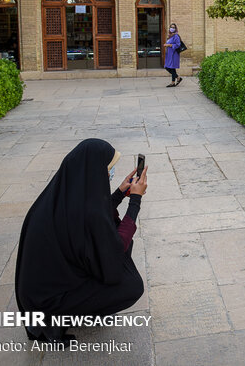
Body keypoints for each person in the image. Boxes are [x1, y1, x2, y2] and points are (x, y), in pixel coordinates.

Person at [15, 139, 148, 343]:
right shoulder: (86, 211)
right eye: (108, 169)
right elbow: (112, 248)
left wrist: (120, 193)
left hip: (37, 296)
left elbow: (92, 221)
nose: (109, 174)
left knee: (116, 240)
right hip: (48, 305)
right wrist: (135, 201)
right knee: (131, 285)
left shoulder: (61, 194)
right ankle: (68, 315)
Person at [163, 23, 182, 87]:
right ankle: (173, 82)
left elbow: (178, 45)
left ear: (175, 28)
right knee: (172, 68)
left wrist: (168, 45)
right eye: (171, 27)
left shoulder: (176, 36)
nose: (172, 28)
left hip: (174, 54)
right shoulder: (170, 36)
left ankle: (178, 77)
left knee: (167, 67)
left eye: (173, 27)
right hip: (169, 54)